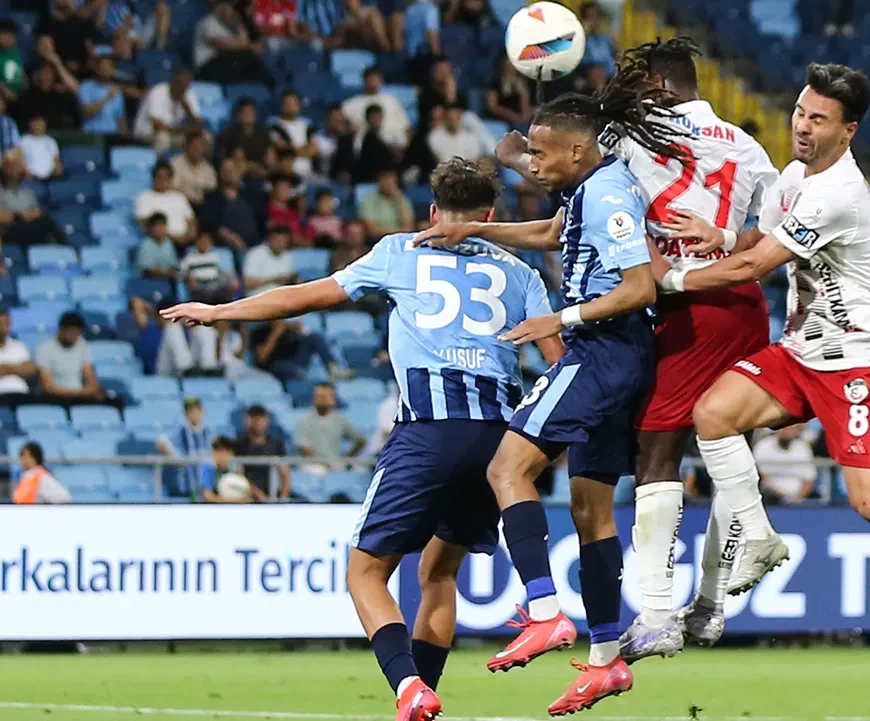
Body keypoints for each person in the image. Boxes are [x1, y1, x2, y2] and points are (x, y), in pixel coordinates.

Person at [162, 158, 563, 721]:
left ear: (432, 213)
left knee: (365, 573)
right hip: (500, 444)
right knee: (439, 572)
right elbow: (556, 362)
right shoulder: (522, 275)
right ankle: (426, 693)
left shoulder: (400, 251)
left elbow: (305, 296)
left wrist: (221, 311)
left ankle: (408, 687)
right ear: (489, 216)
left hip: (427, 432)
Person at [648, 63, 870, 663]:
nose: (803, 127)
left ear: (849, 130)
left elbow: (757, 270)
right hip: (799, 351)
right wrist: (724, 236)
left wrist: (669, 277)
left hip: (855, 364)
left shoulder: (839, 194)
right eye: (800, 113)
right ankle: (756, 541)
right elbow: (760, 244)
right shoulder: (793, 175)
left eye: (819, 119)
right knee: (713, 415)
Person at [496, 38, 778, 660]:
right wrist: (725, 241)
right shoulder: (749, 147)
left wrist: (522, 152)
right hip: (743, 305)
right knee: (728, 455)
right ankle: (707, 606)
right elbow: (772, 229)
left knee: (658, 450)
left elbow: (567, 168)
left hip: (679, 309)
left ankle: (657, 613)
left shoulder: (632, 137)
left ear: (654, 87)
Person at [412, 61, 681, 711]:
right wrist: (472, 229)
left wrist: (556, 319)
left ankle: (544, 609)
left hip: (603, 351)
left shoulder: (611, 194)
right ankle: (606, 657)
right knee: (591, 510)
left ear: (578, 149)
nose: (532, 162)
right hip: (617, 357)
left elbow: (639, 287)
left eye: (540, 151)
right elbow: (548, 234)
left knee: (509, 467)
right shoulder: (588, 191)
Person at [35, 312, 111, 408]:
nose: (73, 336)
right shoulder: (45, 348)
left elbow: (89, 375)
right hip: (57, 396)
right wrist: (78, 393)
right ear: (61, 330)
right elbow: (47, 386)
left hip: (79, 394)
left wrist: (90, 390)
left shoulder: (82, 345)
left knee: (113, 401)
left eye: (76, 333)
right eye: (70, 332)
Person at [295, 381, 367, 473]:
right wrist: (325, 465)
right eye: (319, 396)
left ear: (333, 399)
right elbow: (306, 451)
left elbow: (361, 440)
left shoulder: (340, 420)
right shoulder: (304, 421)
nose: (322, 399)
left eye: (326, 397)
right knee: (316, 470)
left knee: (361, 470)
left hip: (336, 464)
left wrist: (347, 458)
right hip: (314, 465)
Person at [156, 396, 215, 497]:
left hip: (205, 486)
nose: (194, 415)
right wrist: (176, 459)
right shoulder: (180, 432)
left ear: (202, 412)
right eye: (190, 412)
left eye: (196, 411)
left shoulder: (208, 433)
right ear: (185, 414)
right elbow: (161, 442)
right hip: (186, 485)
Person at [342, 67, 411, 150]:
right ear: (364, 80)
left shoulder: (392, 100)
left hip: (395, 144)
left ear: (381, 80)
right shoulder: (350, 105)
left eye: (376, 78)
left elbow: (406, 127)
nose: (373, 81)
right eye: (370, 78)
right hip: (367, 147)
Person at [133, 69, 201, 151]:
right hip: (145, 133)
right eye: (180, 84)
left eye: (185, 86)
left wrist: (188, 109)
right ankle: (158, 163)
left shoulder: (188, 95)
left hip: (171, 133)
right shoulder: (157, 92)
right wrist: (180, 130)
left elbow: (198, 125)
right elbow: (156, 125)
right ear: (172, 82)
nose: (182, 88)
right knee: (163, 138)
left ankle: (199, 164)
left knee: (204, 139)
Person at [234, 404, 292, 499]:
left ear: (266, 420)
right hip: (248, 496)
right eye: (253, 418)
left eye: (260, 418)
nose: (257, 422)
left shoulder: (276, 444)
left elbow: (285, 473)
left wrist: (283, 498)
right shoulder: (240, 444)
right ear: (247, 420)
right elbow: (240, 475)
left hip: (273, 493)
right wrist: (258, 494)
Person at [135, 162, 197, 247]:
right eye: (159, 177)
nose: (162, 180)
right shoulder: (144, 197)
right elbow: (145, 225)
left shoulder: (179, 197)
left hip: (185, 242)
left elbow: (191, 221)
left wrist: (188, 236)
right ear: (153, 178)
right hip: (160, 243)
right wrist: (173, 237)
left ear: (171, 179)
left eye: (166, 177)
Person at [753, 423, 817, 504]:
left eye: (792, 429)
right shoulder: (763, 446)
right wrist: (785, 498)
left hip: (799, 499)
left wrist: (796, 499)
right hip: (770, 497)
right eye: (785, 429)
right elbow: (765, 478)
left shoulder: (803, 447)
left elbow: (809, 479)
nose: (788, 432)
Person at [78, 54, 129, 137]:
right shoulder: (85, 87)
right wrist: (107, 98)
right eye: (103, 66)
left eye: (109, 66)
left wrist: (124, 138)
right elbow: (86, 111)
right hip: (91, 136)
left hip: (112, 136)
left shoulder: (116, 90)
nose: (106, 69)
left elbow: (120, 118)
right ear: (97, 68)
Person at [244, 226, 299, 295]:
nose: (280, 244)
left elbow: (292, 279)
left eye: (283, 241)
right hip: (258, 297)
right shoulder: (255, 254)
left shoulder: (287, 256)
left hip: (282, 298)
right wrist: (274, 280)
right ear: (269, 239)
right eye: (278, 240)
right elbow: (248, 284)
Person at [359, 168, 414, 237]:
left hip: (400, 238)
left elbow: (408, 227)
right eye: (386, 180)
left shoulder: (402, 198)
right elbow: (373, 230)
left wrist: (399, 200)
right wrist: (400, 232)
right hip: (379, 239)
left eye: (393, 180)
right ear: (379, 181)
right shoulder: (369, 199)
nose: (390, 183)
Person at [172, 131, 218, 206]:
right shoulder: (175, 164)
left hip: (203, 206)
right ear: (186, 147)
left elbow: (211, 189)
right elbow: (173, 189)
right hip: (181, 204)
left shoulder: (208, 169)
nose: (197, 149)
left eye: (200, 146)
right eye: (193, 146)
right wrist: (190, 199)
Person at [0, 308, 34, 405]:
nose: (4, 327)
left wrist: (5, 368)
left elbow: (30, 369)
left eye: (7, 323)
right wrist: (17, 368)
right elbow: (23, 369)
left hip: (21, 393)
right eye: (0, 324)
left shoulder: (18, 346)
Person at [136, 213, 180, 280]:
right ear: (151, 227)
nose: (160, 229)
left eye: (163, 225)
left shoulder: (168, 242)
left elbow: (174, 265)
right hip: (148, 282)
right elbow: (148, 271)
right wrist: (168, 274)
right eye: (158, 226)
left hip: (167, 280)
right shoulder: (145, 245)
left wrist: (174, 271)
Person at [18, 116, 60, 181]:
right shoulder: (23, 140)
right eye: (35, 124)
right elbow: (19, 160)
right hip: (30, 179)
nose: (37, 127)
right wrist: (26, 173)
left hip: (50, 179)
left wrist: (57, 173)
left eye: (39, 124)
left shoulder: (50, 141)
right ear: (30, 125)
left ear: (44, 125)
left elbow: (56, 160)